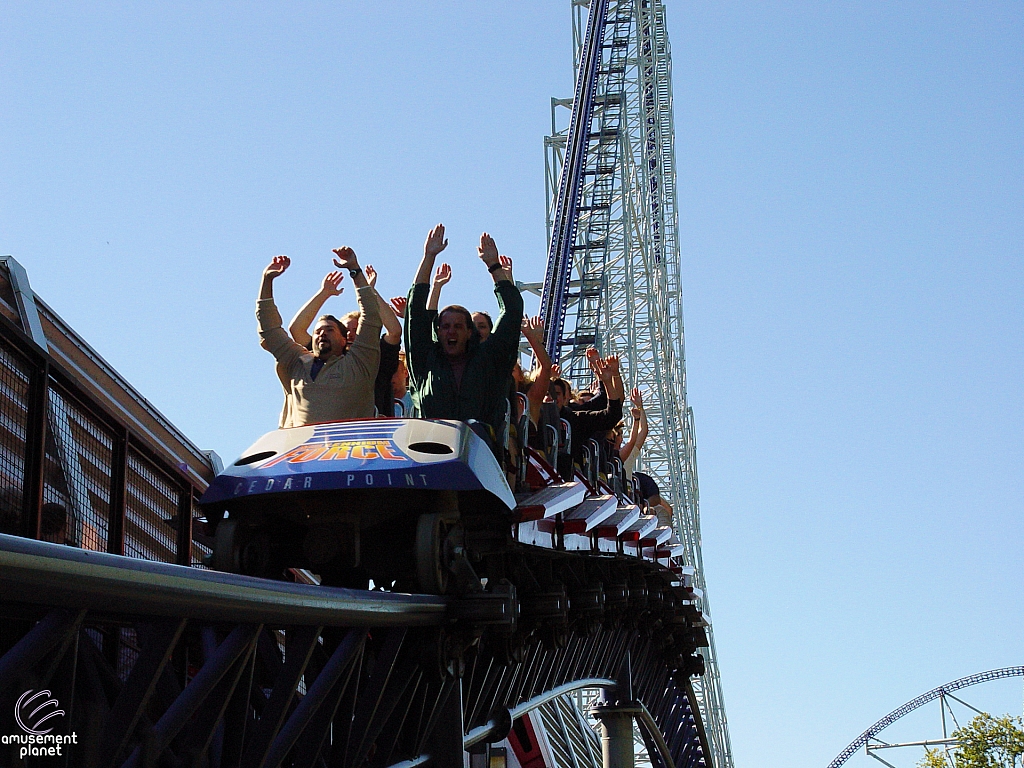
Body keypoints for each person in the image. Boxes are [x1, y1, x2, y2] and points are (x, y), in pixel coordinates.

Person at [404, 224, 524, 441]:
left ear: (469, 332)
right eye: (446, 327)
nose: (451, 332)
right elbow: (415, 313)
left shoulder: (489, 359)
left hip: (480, 455)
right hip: (432, 453)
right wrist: (428, 257)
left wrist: (494, 266)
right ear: (438, 332)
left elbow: (512, 311)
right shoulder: (425, 362)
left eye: (458, 326)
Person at [257, 248, 381, 426]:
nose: (322, 333)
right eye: (317, 331)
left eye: (330, 330)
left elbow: (371, 316)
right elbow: (269, 330)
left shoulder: (359, 365)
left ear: (344, 339)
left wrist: (355, 270)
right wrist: (267, 280)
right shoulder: (297, 362)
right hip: (303, 452)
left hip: (350, 450)